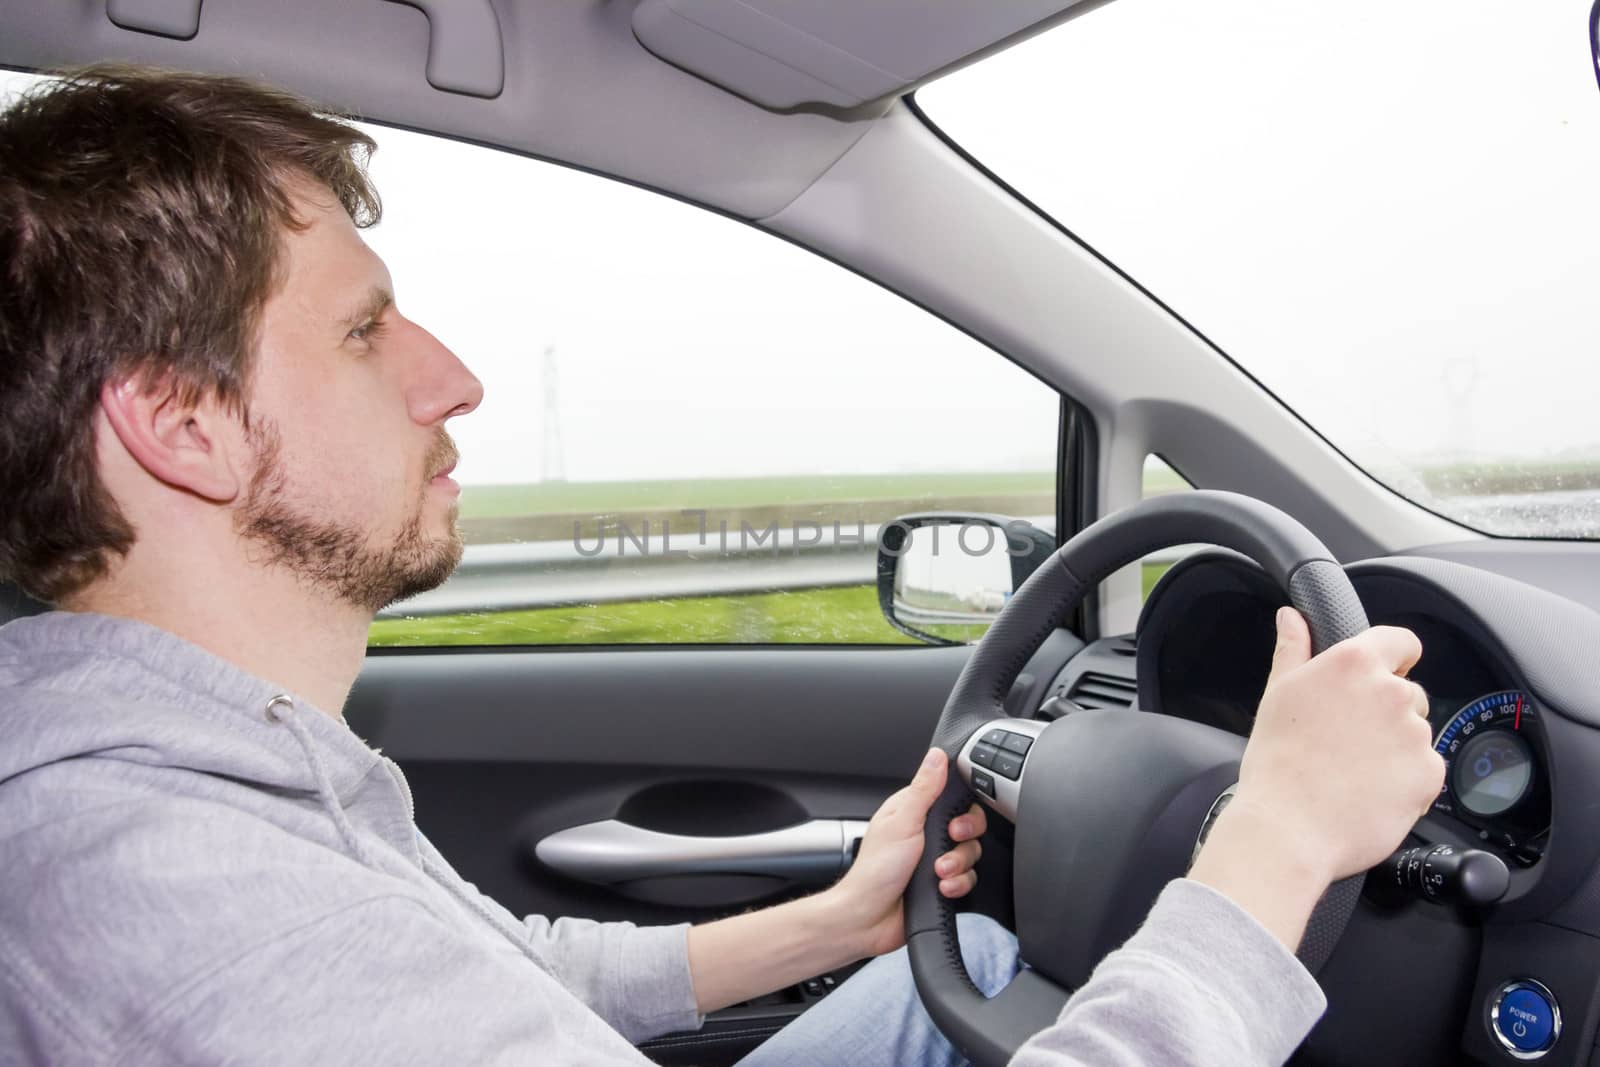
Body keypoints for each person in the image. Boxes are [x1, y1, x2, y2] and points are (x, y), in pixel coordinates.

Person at [0, 65, 1444, 1066]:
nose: (455, 380)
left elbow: (497, 985)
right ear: (182, 424)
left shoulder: (213, 767)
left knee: (971, 984)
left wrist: (830, 920)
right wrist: (1276, 848)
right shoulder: (169, 891)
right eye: (367, 332)